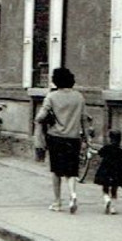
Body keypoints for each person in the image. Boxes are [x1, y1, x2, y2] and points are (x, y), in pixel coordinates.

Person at [35, 66, 87, 213]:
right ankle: (73, 195)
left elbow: (40, 117)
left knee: (57, 171)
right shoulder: (79, 97)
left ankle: (57, 202)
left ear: (55, 81)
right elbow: (84, 119)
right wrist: (87, 139)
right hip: (74, 138)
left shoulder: (52, 97)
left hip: (56, 138)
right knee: (71, 171)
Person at [93, 129, 122, 214]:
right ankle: (113, 208)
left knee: (105, 187)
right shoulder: (121, 151)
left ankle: (106, 199)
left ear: (110, 138)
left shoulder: (106, 148)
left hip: (106, 170)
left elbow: (99, 154)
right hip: (117, 172)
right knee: (114, 189)